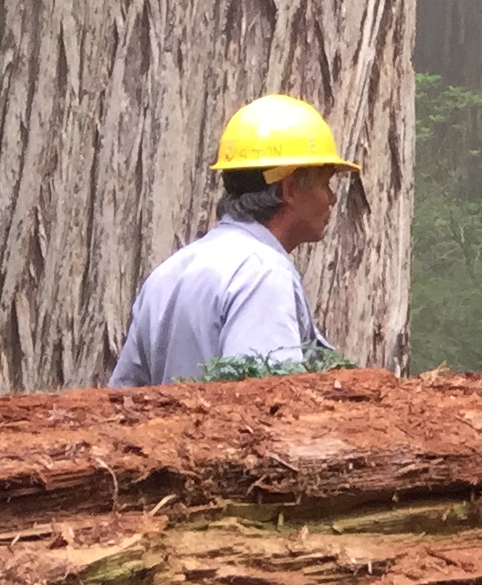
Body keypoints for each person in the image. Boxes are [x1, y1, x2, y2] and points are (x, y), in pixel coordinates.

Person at [110, 96, 356, 386]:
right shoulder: (263, 275)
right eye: (325, 183)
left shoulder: (168, 274)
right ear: (289, 189)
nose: (332, 198)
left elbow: (122, 402)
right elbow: (266, 406)